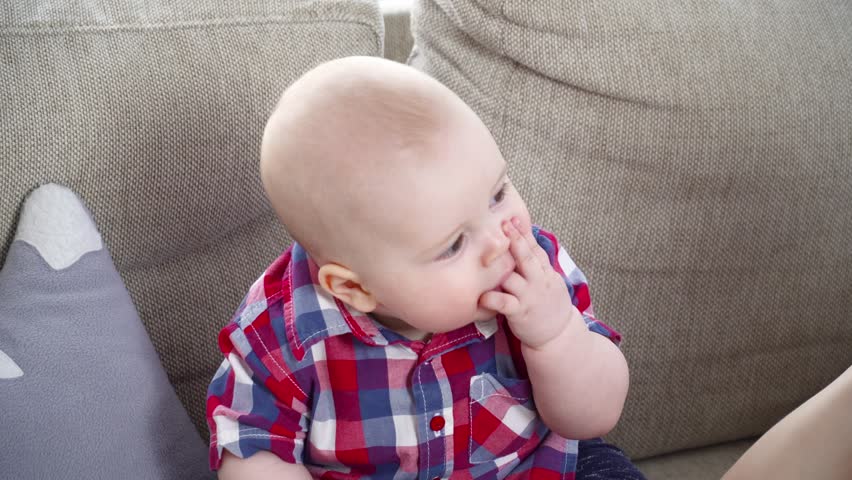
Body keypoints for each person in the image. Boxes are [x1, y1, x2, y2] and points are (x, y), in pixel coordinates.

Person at [206, 55, 644, 479]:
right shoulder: (282, 334)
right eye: (453, 245)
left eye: (497, 194)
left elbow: (594, 418)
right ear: (354, 288)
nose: (499, 242)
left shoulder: (537, 272)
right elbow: (252, 446)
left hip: (538, 468)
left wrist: (557, 336)